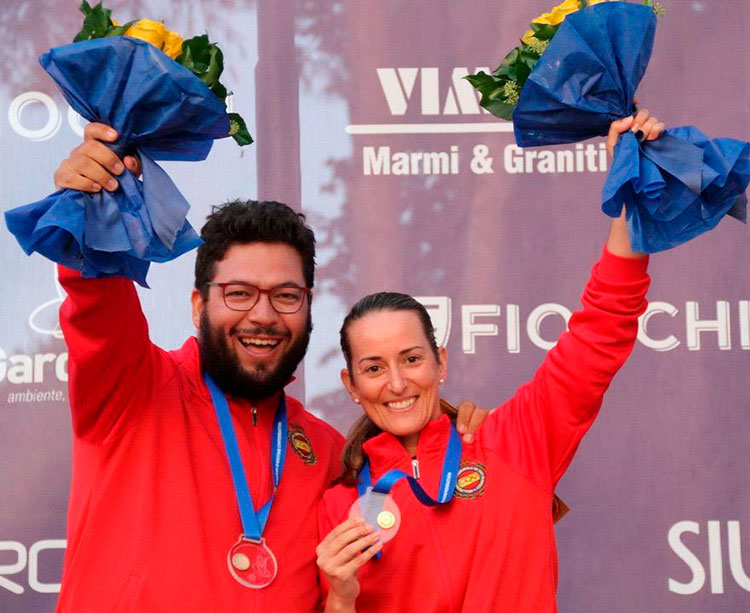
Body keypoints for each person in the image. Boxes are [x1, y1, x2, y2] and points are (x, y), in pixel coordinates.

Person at [48, 125, 488, 612]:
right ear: (198, 306)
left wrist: (467, 438)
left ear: (308, 306)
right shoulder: (132, 386)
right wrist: (93, 199)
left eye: (285, 296)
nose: (263, 315)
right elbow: (97, 294)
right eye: (239, 293)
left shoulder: (325, 453)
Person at [315, 112, 663, 612]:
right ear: (351, 384)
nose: (396, 382)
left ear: (441, 363)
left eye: (412, 358)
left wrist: (627, 196)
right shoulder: (337, 507)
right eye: (373, 368)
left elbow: (600, 330)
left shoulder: (516, 440)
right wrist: (341, 597)